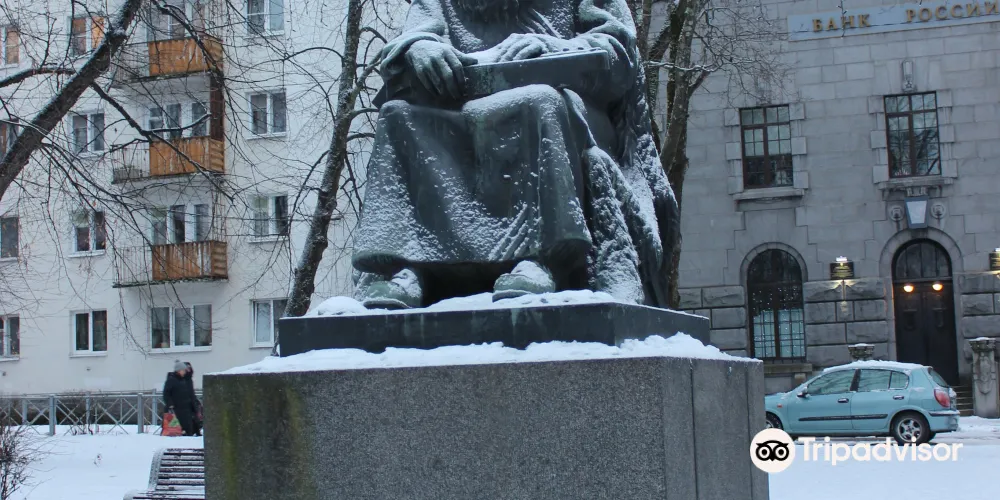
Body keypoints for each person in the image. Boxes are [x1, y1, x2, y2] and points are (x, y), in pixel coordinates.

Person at [353, 0, 678, 309]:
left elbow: (619, 53)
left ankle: (543, 260)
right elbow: (414, 35)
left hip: (566, 104)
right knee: (397, 115)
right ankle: (408, 265)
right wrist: (420, 47)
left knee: (539, 102)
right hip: (462, 100)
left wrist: (555, 47)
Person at [162, 360, 195, 436]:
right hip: (176, 409)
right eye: (183, 370)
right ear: (179, 370)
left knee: (187, 429)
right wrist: (170, 404)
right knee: (177, 429)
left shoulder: (184, 380)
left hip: (186, 409)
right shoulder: (171, 380)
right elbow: (166, 393)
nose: (185, 372)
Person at [184, 361, 203, 437]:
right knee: (192, 417)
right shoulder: (183, 379)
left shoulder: (189, 378)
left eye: (189, 367)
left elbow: (191, 391)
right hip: (186, 401)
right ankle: (192, 431)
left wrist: (195, 400)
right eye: (186, 368)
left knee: (195, 416)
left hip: (192, 400)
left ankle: (196, 431)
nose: (188, 369)